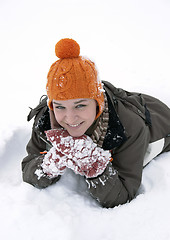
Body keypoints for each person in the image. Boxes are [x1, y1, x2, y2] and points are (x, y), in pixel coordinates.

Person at [22, 38, 170, 208]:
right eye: (60, 106)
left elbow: (123, 194)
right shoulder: (46, 119)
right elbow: (29, 166)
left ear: (97, 103)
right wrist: (48, 165)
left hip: (160, 124)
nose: (70, 118)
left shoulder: (129, 128)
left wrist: (95, 167)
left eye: (80, 105)